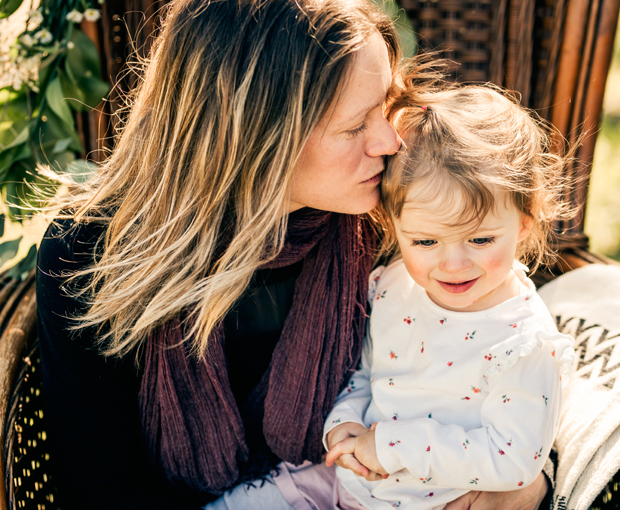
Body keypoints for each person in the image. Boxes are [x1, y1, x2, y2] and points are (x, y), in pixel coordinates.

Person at [34, 0, 559, 507]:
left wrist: (532, 485)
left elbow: (504, 362)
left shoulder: (394, 225)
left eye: (385, 108)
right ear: (256, 138)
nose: (389, 142)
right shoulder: (91, 255)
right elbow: (101, 491)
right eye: (356, 126)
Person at [320, 86, 577, 510]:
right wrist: (344, 423)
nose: (453, 264)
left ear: (525, 223)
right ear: (392, 223)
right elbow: (368, 372)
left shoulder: (524, 346)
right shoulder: (395, 286)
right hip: (348, 486)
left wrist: (393, 446)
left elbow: (513, 460)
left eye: (480, 238)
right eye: (424, 241)